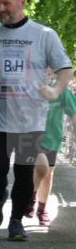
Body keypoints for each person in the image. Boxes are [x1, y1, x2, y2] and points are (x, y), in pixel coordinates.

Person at [0, 0, 72, 241]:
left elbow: (65, 68)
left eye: (6, 3)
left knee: (23, 173)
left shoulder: (44, 35)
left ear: (23, 2)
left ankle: (16, 221)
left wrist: (55, 91)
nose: (1, 8)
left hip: (31, 119)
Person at [33, 73, 76, 227]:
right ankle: (30, 198)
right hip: (31, 137)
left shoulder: (61, 89)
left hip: (52, 138)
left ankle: (41, 209)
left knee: (48, 174)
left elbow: (74, 113)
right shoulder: (29, 86)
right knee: (41, 168)